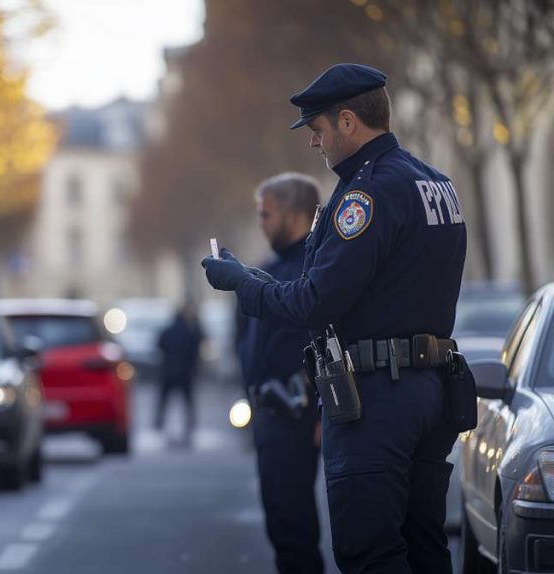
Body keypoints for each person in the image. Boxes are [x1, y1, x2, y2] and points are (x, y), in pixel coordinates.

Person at [202, 63, 467, 573]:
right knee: (424, 545)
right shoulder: (435, 183)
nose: (313, 144)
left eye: (318, 129)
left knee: (369, 552)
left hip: (376, 397)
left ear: (349, 122)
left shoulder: (365, 195)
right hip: (430, 389)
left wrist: (244, 284)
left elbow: (316, 302)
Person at [235, 173, 324, 574]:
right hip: (272, 411)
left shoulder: (315, 269)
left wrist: (322, 411)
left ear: (295, 216)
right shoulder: (271, 268)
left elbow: (328, 340)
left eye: (266, 214)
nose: (261, 223)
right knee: (282, 520)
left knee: (294, 526)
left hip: (298, 413)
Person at [154, 300, 204, 437]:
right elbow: (195, 349)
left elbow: (159, 345)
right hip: (184, 372)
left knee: (164, 399)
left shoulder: (167, 331)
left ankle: (158, 422)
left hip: (168, 370)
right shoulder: (190, 332)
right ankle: (191, 423)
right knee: (187, 400)